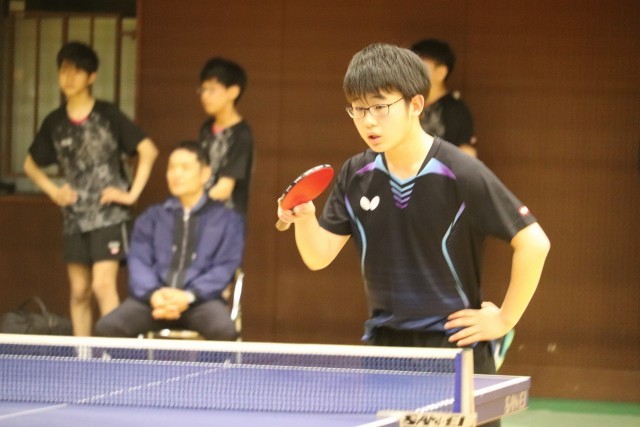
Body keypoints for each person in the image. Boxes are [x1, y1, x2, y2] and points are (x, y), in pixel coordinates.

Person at [277, 43, 550, 425]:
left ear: (415, 104)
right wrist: (306, 218)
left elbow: (534, 242)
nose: (368, 121)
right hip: (386, 352)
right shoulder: (355, 174)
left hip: (454, 353)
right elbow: (318, 256)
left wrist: (504, 320)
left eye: (380, 107)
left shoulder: (460, 172)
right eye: (357, 109)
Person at [23, 41, 158, 336]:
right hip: (74, 216)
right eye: (63, 70)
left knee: (102, 285)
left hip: (109, 215)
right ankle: (83, 355)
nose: (68, 77)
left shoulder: (108, 115)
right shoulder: (55, 122)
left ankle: (111, 352)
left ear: (91, 76)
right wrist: (54, 191)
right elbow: (30, 165)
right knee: (79, 291)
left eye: (76, 71)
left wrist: (131, 194)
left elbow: (148, 150)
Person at [95, 141, 244, 340]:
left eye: (185, 167)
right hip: (153, 301)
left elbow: (224, 267)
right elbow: (138, 261)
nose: (176, 174)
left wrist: (187, 296)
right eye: (172, 168)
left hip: (201, 302)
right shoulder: (151, 217)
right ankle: (140, 363)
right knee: (109, 327)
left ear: (205, 173)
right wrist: (154, 295)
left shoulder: (227, 220)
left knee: (224, 331)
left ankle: (199, 364)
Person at [197, 57, 254, 216]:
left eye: (212, 90)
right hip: (202, 216)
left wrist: (191, 205)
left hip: (227, 220)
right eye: (203, 89)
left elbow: (224, 188)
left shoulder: (241, 134)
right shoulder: (206, 129)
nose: (205, 96)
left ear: (233, 92)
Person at [411, 38, 477, 157]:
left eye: (421, 67)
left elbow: (466, 152)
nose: (413, 72)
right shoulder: (406, 104)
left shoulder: (456, 111)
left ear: (441, 72)